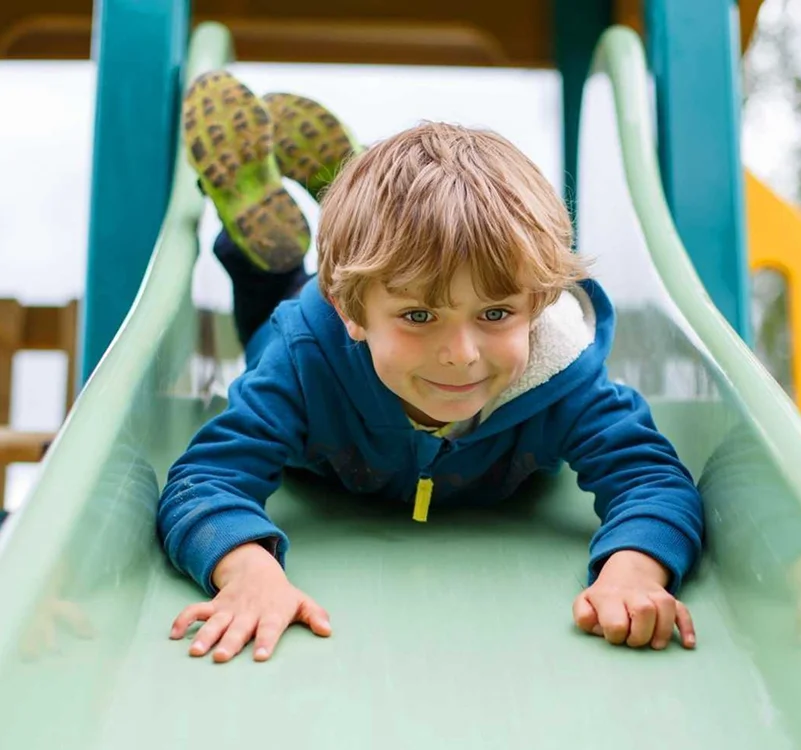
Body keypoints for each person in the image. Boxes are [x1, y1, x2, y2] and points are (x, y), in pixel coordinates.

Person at [158, 70, 705, 663]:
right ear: (351, 312)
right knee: (274, 308)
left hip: (367, 294)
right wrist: (247, 569)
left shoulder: (562, 376)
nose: (462, 353)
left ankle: (359, 212)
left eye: (495, 313)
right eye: (420, 317)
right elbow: (204, 479)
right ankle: (270, 246)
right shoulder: (301, 361)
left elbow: (651, 477)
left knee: (403, 266)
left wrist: (634, 568)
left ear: (539, 303)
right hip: (312, 326)